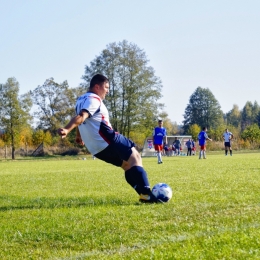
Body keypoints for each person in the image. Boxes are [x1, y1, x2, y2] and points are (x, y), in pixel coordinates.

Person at [57, 74, 161, 203]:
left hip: (95, 148)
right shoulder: (93, 100)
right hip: (107, 139)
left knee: (127, 165)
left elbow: (80, 118)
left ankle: (143, 195)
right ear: (97, 86)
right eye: (106, 87)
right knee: (136, 157)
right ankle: (147, 193)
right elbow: (82, 116)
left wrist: (79, 135)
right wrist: (67, 129)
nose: (108, 90)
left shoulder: (80, 99)